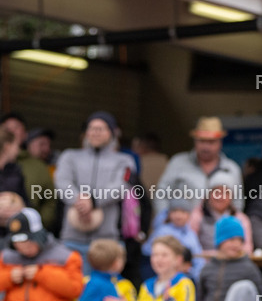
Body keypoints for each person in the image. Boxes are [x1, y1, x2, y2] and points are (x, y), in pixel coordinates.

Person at [53, 112, 135, 272]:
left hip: (107, 240)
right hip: (72, 237)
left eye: (101, 128)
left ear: (112, 132)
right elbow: (62, 181)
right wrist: (79, 200)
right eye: (91, 128)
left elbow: (121, 185)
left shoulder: (125, 160)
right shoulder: (69, 156)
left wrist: (93, 200)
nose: (95, 132)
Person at [0, 208, 84, 301]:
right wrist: (9, 277)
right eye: (17, 242)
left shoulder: (66, 257)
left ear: (38, 236)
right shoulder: (7, 257)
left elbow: (75, 289)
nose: (22, 246)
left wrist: (42, 274)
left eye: (27, 241)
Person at [155, 116, 243, 216]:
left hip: (220, 224)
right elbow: (161, 194)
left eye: (211, 142)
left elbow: (237, 203)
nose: (206, 147)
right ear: (195, 141)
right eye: (202, 141)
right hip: (183, 224)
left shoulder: (232, 168)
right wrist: (164, 220)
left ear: (220, 143)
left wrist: (231, 223)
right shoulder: (178, 162)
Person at [193, 216, 262, 301]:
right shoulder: (208, 268)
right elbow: (200, 299)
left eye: (240, 241)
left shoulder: (249, 268)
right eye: (231, 240)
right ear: (220, 241)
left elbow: (259, 298)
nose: (236, 244)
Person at [126, 235, 195, 301]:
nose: (159, 259)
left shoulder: (184, 283)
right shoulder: (147, 285)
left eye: (164, 255)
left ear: (178, 259)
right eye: (155, 255)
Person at [190, 169, 254, 256]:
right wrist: (218, 255)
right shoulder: (197, 216)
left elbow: (247, 249)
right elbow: (191, 247)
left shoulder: (241, 219)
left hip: (234, 262)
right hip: (204, 262)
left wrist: (231, 255)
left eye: (225, 193)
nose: (220, 197)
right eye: (216, 192)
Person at [143, 198, 205, 280]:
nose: (178, 216)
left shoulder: (191, 235)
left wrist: (193, 273)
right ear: (169, 214)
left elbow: (198, 259)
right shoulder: (162, 231)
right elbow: (147, 251)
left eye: (183, 212)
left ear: (189, 215)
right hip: (163, 275)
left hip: (186, 276)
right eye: (175, 211)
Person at [0, 128, 26, 238]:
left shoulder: (16, 171)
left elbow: (26, 201)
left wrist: (20, 209)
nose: (18, 151)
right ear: (7, 146)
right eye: (16, 146)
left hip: (12, 233)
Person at [131, 133, 168, 199]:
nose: (133, 150)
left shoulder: (137, 163)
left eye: (135, 147)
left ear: (142, 147)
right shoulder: (168, 162)